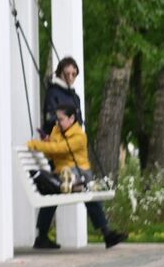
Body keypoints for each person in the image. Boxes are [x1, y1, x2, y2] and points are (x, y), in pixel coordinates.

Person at [27, 106, 126, 250]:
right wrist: (47, 144)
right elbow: (52, 153)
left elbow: (61, 148)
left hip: (81, 172)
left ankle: (42, 236)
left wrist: (37, 145)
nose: (58, 123)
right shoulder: (56, 131)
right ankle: (106, 233)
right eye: (57, 119)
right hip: (61, 173)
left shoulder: (79, 136)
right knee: (58, 192)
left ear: (72, 119)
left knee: (87, 194)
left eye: (61, 119)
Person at [43, 56, 83, 136]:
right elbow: (50, 119)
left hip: (74, 141)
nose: (70, 77)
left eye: (74, 74)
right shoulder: (52, 93)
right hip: (56, 140)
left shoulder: (75, 97)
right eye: (67, 74)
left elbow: (79, 121)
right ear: (60, 73)